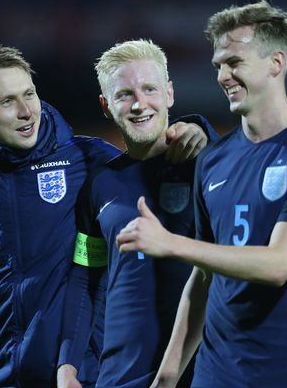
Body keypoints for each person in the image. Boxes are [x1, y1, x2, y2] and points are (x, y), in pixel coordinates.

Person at [0, 39, 207, 387]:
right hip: (1, 377)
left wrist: (197, 131)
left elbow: (152, 160)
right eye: (6, 102)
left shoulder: (86, 158)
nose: (26, 111)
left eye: (29, 94)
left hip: (82, 376)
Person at [116, 1, 287, 387]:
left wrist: (171, 243)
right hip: (218, 372)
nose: (223, 76)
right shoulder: (213, 161)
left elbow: (279, 264)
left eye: (234, 62)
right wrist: (167, 377)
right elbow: (203, 277)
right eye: (218, 66)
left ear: (276, 63)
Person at [56, 39, 217, 388]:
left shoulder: (206, 166)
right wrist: (68, 365)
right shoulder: (99, 184)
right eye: (124, 94)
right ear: (105, 106)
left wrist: (205, 132)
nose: (139, 104)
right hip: (120, 377)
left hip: (202, 372)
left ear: (170, 94)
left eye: (149, 89)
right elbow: (87, 278)